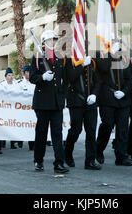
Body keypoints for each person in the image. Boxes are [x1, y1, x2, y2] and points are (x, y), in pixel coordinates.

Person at [30, 30, 69, 174]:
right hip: (42, 102)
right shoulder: (37, 57)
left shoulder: (59, 58)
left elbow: (65, 80)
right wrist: (42, 78)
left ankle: (59, 163)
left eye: (54, 39)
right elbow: (32, 77)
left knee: (57, 134)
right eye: (50, 40)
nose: (53, 42)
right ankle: (38, 161)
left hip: (56, 102)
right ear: (44, 42)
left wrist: (62, 95)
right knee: (41, 133)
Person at [95, 41, 132, 167]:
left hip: (123, 99)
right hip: (108, 98)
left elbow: (129, 80)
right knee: (107, 125)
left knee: (123, 128)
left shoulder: (124, 60)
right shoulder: (101, 57)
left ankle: (121, 156)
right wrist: (111, 54)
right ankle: (98, 150)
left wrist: (124, 92)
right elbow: (103, 69)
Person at [64, 49, 102, 170]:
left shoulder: (91, 61)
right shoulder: (70, 60)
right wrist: (82, 65)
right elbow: (70, 77)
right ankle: (67, 154)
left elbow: (98, 81)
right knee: (76, 129)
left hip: (90, 102)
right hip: (76, 101)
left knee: (91, 131)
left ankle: (90, 160)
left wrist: (95, 94)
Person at [1, 67, 22, 149]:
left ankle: (13, 143)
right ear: (5, 76)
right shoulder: (2, 85)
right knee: (4, 125)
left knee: (13, 125)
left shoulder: (17, 85)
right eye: (9, 75)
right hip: (5, 108)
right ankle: (3, 142)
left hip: (14, 108)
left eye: (12, 75)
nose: (11, 77)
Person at [18, 65, 36, 151]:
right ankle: (19, 141)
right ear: (24, 73)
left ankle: (32, 144)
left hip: (34, 108)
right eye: (27, 72)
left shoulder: (35, 82)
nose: (29, 74)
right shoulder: (20, 84)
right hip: (24, 109)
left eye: (30, 71)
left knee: (33, 127)